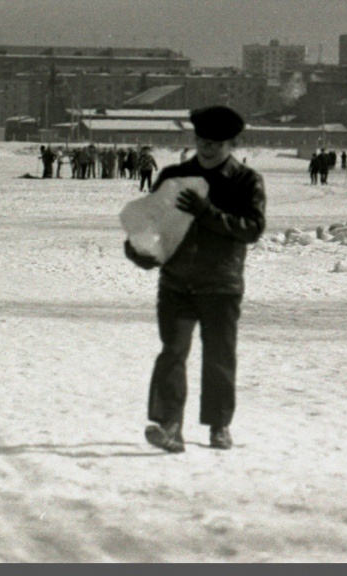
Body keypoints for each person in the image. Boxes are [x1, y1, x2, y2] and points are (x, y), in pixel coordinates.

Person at [124, 105, 266, 453]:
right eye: (203, 140)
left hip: (222, 283)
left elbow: (252, 229)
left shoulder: (246, 181)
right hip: (177, 283)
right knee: (172, 352)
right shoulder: (173, 177)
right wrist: (137, 252)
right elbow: (149, 224)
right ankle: (169, 426)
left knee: (219, 356)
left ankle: (219, 426)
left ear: (232, 142)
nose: (208, 148)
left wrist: (208, 213)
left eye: (217, 143)